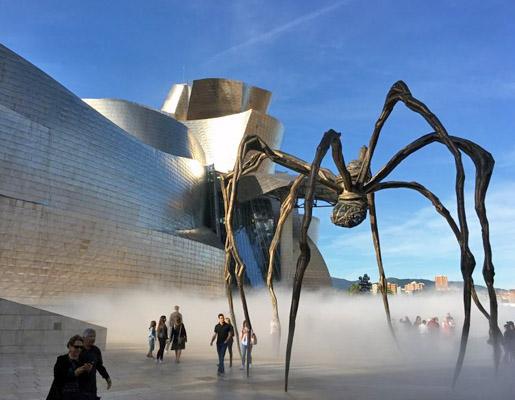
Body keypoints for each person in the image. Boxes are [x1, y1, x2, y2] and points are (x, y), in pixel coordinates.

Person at [47, 334, 92, 400]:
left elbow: (85, 381)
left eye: (81, 347)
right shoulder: (61, 359)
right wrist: (74, 374)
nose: (79, 349)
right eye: (76, 347)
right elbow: (57, 377)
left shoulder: (83, 361)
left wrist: (88, 371)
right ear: (70, 346)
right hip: (62, 394)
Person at [80, 328, 111, 399]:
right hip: (79, 386)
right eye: (90, 336)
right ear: (84, 338)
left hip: (91, 385)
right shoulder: (78, 350)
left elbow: (99, 366)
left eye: (94, 336)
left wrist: (107, 377)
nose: (93, 338)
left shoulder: (96, 350)